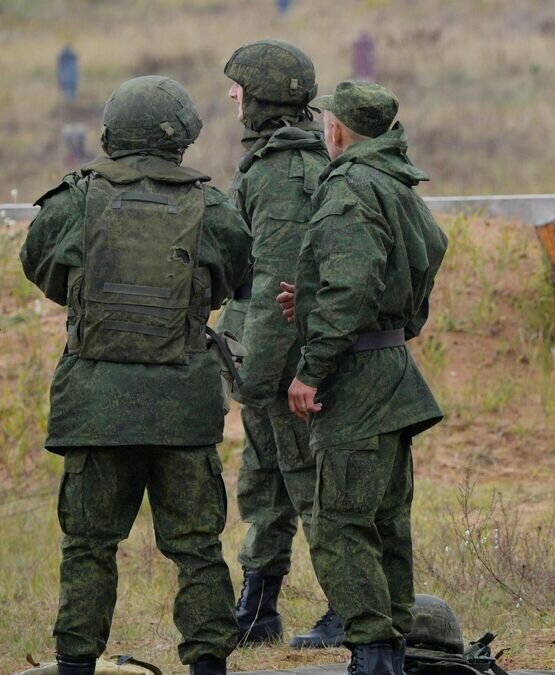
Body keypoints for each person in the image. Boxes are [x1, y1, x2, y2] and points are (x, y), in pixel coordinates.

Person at [20, 76, 251, 675]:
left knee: (88, 547)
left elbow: (42, 270)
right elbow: (235, 278)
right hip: (183, 407)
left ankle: (75, 665)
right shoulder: (214, 207)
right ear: (180, 138)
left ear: (112, 131)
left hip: (96, 406)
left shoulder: (72, 201)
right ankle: (208, 666)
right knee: (198, 550)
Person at [277, 80, 448, 675]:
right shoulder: (395, 182)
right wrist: (337, 309)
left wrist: (311, 369)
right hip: (392, 371)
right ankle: (392, 647)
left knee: (342, 525)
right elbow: (427, 251)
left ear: (338, 130)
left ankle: (374, 655)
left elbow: (353, 287)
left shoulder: (350, 186)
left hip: (357, 384)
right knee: (386, 521)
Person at [218, 38, 345, 650]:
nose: (232, 96)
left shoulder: (284, 173)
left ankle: (349, 607)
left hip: (282, 361)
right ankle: (259, 607)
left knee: (307, 482)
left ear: (263, 96)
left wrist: (262, 376)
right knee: (264, 485)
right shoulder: (273, 163)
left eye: (240, 87)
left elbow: (276, 281)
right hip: (266, 359)